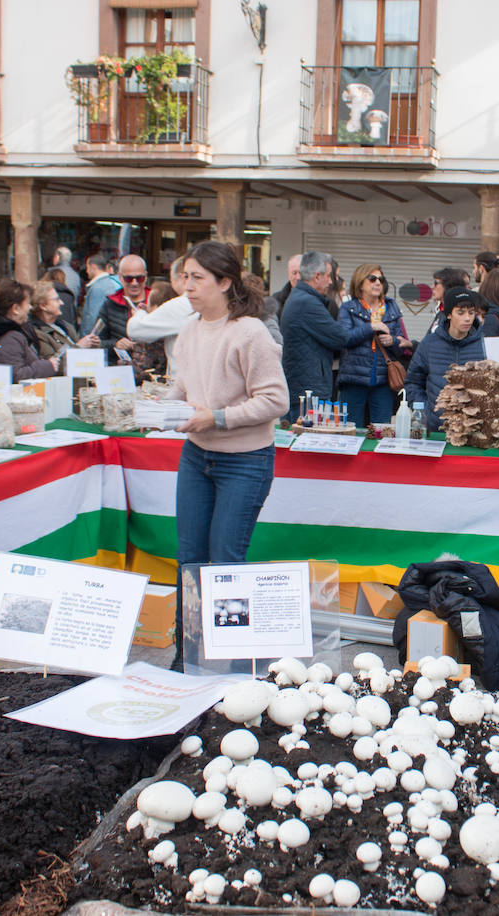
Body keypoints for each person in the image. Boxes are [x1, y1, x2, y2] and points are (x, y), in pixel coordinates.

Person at [168, 240, 288, 667]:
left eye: (196, 277)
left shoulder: (249, 332)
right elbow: (181, 388)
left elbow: (276, 401)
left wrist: (215, 418)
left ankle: (236, 664)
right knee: (189, 562)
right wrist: (162, 408)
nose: (187, 285)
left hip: (245, 461)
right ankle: (188, 657)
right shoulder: (189, 330)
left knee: (225, 563)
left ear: (225, 282)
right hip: (196, 457)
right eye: (185, 276)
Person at [280, 250, 349, 421]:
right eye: (329, 276)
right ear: (317, 277)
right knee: (307, 443)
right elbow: (340, 337)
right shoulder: (307, 303)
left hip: (305, 387)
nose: (331, 282)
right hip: (307, 392)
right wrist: (361, 323)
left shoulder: (301, 298)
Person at [337, 263, 410, 424]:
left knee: (382, 431)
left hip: (384, 381)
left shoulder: (391, 307)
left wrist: (393, 341)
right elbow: (344, 339)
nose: (378, 283)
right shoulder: (348, 308)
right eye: (372, 279)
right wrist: (370, 327)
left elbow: (402, 344)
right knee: (350, 430)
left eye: (381, 279)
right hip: (353, 380)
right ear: (360, 282)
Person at [405, 287, 487, 428]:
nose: (467, 318)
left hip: (473, 429)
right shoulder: (429, 343)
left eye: (471, 312)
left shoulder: (485, 344)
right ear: (449, 314)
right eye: (460, 313)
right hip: (435, 426)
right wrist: (425, 411)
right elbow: (413, 382)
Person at [0, 278, 60, 387]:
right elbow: (16, 376)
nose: (30, 307)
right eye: (28, 303)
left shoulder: (3, 332)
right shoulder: (9, 338)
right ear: (15, 308)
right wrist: (47, 366)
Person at [127, 255, 193, 375]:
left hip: (182, 381)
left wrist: (139, 314)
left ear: (182, 277)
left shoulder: (181, 305)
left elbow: (136, 330)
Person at [30, 278, 99, 360]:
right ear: (43, 306)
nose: (61, 303)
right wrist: (79, 346)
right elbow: (52, 364)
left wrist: (93, 345)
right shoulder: (37, 333)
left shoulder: (66, 326)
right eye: (56, 300)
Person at [100, 253, 149, 365]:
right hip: (119, 370)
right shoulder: (110, 304)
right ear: (120, 277)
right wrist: (115, 344)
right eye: (128, 278)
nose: (134, 283)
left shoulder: (156, 302)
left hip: (151, 372)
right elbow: (97, 342)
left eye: (139, 278)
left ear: (145, 276)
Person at [80, 253, 121, 336]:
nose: (87, 271)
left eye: (87, 268)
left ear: (93, 266)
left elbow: (92, 317)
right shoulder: (112, 282)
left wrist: (87, 337)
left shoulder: (97, 288)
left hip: (97, 339)